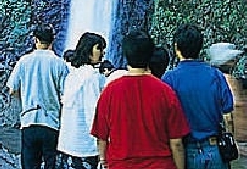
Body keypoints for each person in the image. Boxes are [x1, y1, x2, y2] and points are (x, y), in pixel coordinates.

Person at [91, 30, 188, 169]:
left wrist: (103, 159)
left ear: (126, 54)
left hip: (121, 165)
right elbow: (176, 142)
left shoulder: (110, 91)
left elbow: (101, 136)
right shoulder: (165, 92)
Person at [162, 24, 234, 169]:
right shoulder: (216, 75)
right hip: (214, 149)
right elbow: (228, 117)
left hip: (186, 151)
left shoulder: (169, 79)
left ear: (177, 48)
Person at [7, 24, 69, 169]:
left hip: (29, 120)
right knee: (50, 163)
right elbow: (65, 94)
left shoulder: (23, 61)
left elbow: (11, 89)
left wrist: (24, 98)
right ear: (52, 41)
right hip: (51, 122)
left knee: (29, 164)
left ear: (35, 40)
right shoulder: (59, 64)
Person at [57, 32, 107, 169]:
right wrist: (102, 141)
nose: (102, 53)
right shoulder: (90, 76)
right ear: (88, 51)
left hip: (68, 140)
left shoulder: (73, 74)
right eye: (99, 48)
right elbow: (92, 112)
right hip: (85, 145)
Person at [208, 43, 247, 169]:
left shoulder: (218, 80)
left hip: (241, 141)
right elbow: (231, 112)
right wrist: (235, 142)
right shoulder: (228, 81)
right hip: (242, 142)